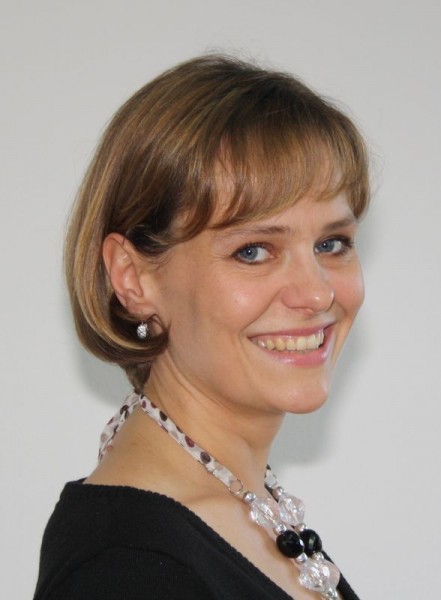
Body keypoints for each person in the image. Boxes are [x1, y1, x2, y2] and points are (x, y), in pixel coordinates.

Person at [34, 55, 369, 600]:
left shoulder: (238, 509)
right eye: (253, 250)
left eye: (332, 243)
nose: (317, 293)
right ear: (133, 277)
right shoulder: (129, 571)